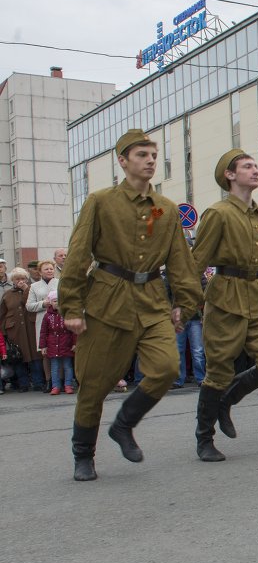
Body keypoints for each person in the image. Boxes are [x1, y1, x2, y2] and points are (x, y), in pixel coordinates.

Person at [57, 129, 202, 480]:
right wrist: (72, 308)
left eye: (153, 155)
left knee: (167, 368)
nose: (150, 160)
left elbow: (181, 261)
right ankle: (83, 455)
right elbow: (78, 254)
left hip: (152, 301)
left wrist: (186, 302)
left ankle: (123, 424)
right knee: (94, 383)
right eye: (142, 155)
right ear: (123, 161)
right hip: (107, 300)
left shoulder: (167, 210)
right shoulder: (101, 201)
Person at [190, 149, 258, 462]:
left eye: (256, 165)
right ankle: (205, 438)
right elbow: (197, 261)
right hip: (225, 297)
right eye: (247, 167)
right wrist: (183, 302)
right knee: (218, 370)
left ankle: (227, 401)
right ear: (230, 176)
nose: (255, 170)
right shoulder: (217, 213)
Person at [0, 268, 42, 392]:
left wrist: (26, 289)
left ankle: (38, 382)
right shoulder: (7, 294)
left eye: (23, 278)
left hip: (30, 328)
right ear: (12, 280)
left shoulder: (32, 290)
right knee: (18, 358)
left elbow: (31, 304)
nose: (20, 281)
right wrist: (4, 331)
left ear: (26, 279)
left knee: (35, 356)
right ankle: (23, 384)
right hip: (15, 330)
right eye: (17, 279)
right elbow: (2, 314)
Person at [38, 288, 76, 395]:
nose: (57, 303)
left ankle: (68, 385)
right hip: (52, 344)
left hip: (66, 343)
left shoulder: (67, 314)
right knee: (54, 367)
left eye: (59, 300)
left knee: (67, 366)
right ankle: (55, 386)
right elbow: (43, 332)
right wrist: (43, 346)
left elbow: (73, 331)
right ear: (50, 302)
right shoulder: (47, 316)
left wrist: (74, 343)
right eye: (55, 301)